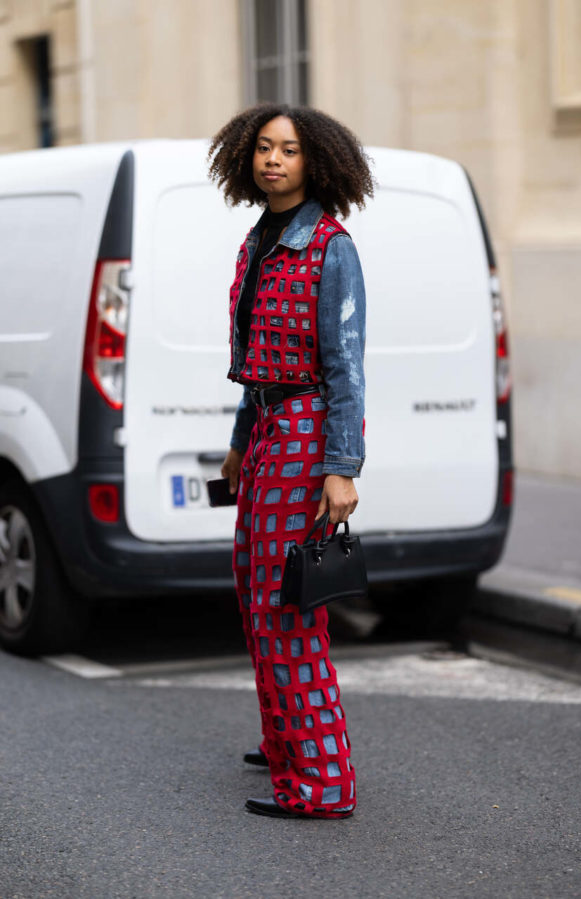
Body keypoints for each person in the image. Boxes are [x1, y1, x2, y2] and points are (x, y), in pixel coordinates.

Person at [208, 103, 373, 819]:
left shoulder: (331, 247)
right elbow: (254, 362)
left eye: (292, 150)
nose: (275, 159)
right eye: (266, 148)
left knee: (288, 606)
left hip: (307, 432)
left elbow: (345, 365)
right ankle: (285, 743)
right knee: (257, 589)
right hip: (271, 425)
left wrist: (342, 466)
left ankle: (322, 781)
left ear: (317, 162)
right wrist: (242, 443)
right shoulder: (259, 240)